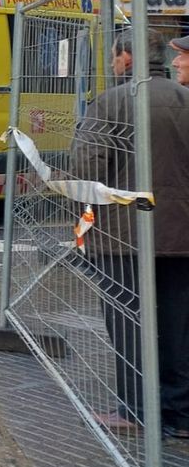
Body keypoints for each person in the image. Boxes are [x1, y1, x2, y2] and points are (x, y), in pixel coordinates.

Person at [72, 34, 189, 438]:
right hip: (181, 233)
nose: (112, 63)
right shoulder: (185, 98)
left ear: (128, 56)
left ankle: (137, 410)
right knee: (178, 325)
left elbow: (87, 168)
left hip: (123, 236)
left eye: (115, 55)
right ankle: (180, 413)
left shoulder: (111, 103)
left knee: (128, 322)